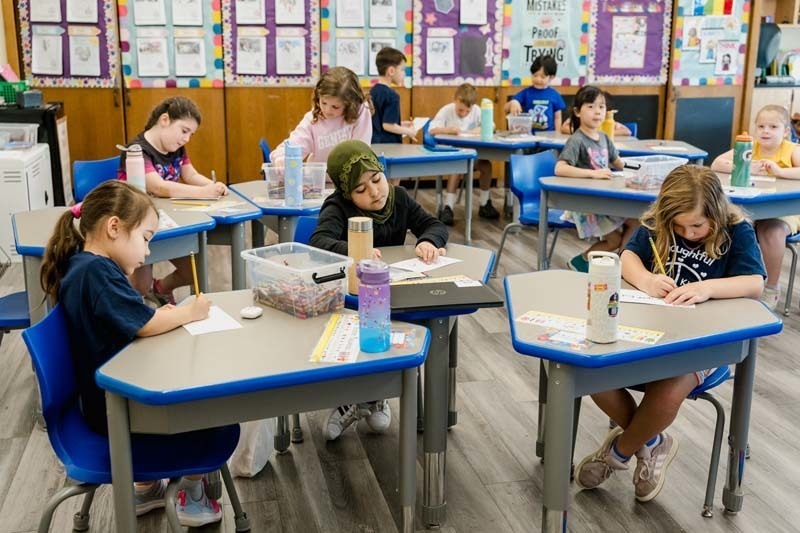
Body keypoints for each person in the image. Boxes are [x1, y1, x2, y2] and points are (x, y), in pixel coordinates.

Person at [576, 165, 765, 503]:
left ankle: (616, 455)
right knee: (592, 371)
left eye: (697, 225)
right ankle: (651, 442)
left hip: (707, 343)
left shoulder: (738, 230)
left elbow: (755, 283)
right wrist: (647, 281)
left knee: (670, 385)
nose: (688, 232)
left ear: (717, 213)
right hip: (650, 333)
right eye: (678, 225)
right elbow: (629, 256)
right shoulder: (656, 223)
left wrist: (707, 288)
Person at [39, 181, 223, 526]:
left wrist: (168, 315)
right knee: (211, 407)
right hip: (117, 411)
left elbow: (134, 318)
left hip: (104, 399)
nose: (148, 253)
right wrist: (189, 312)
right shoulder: (97, 273)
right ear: (114, 228)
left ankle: (146, 486)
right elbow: (143, 324)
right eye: (146, 239)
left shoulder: (86, 265)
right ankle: (192, 497)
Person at [310, 140, 448, 440]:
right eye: (361, 189)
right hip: (353, 296)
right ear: (347, 193)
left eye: (376, 179)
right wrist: (357, 249)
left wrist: (428, 241)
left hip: (395, 290)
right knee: (358, 342)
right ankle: (349, 399)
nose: (374, 192)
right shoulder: (337, 207)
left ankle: (374, 398)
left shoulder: (398, 198)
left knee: (390, 339)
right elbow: (318, 241)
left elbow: (434, 224)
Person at [119, 96, 228, 305]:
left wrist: (213, 186)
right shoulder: (136, 150)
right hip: (140, 226)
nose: (186, 139)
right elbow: (159, 187)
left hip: (169, 222)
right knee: (140, 286)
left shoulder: (176, 148)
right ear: (164, 120)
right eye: (184, 130)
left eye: (191, 134)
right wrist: (203, 193)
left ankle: (160, 289)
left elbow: (190, 175)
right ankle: (135, 308)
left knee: (192, 271)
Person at [711, 104, 800, 309]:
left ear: (786, 131)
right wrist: (747, 166)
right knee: (730, 223)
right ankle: (732, 281)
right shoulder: (749, 147)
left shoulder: (791, 150)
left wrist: (779, 171)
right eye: (761, 126)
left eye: (773, 127)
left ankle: (771, 287)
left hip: (784, 211)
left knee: (772, 230)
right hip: (751, 208)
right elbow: (716, 163)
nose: (765, 131)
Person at [555, 85, 639, 272]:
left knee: (636, 221)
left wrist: (640, 170)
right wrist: (593, 173)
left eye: (601, 107)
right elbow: (560, 168)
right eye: (591, 106)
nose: (597, 111)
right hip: (587, 204)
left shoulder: (603, 137)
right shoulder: (577, 140)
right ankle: (581, 261)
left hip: (605, 199)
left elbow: (618, 162)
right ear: (577, 111)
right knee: (613, 240)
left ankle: (623, 266)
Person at [270, 66, 372, 165]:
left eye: (335, 107)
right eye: (323, 103)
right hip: (319, 178)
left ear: (350, 104)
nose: (327, 110)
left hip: (348, 179)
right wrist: (281, 157)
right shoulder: (313, 118)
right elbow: (293, 145)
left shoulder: (360, 112)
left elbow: (360, 153)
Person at [428, 83, 499, 224]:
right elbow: (431, 129)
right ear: (455, 100)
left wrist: (478, 130)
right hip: (449, 155)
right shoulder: (447, 110)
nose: (463, 114)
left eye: (467, 111)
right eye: (460, 110)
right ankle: (448, 207)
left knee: (486, 166)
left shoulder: (477, 110)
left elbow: (491, 126)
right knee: (458, 166)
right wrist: (449, 130)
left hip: (470, 155)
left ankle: (485, 203)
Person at [504, 55, 565, 132]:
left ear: (551, 77)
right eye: (535, 75)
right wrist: (513, 102)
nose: (538, 79)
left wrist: (557, 133)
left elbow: (558, 117)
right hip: (528, 136)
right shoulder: (526, 93)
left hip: (548, 137)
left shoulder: (555, 95)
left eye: (542, 77)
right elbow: (505, 108)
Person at [370, 47, 417, 144]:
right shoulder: (392, 95)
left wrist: (400, 124)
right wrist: (409, 132)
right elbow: (387, 125)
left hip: (373, 143)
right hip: (388, 146)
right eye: (402, 69)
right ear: (391, 71)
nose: (404, 73)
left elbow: (379, 121)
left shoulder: (373, 91)